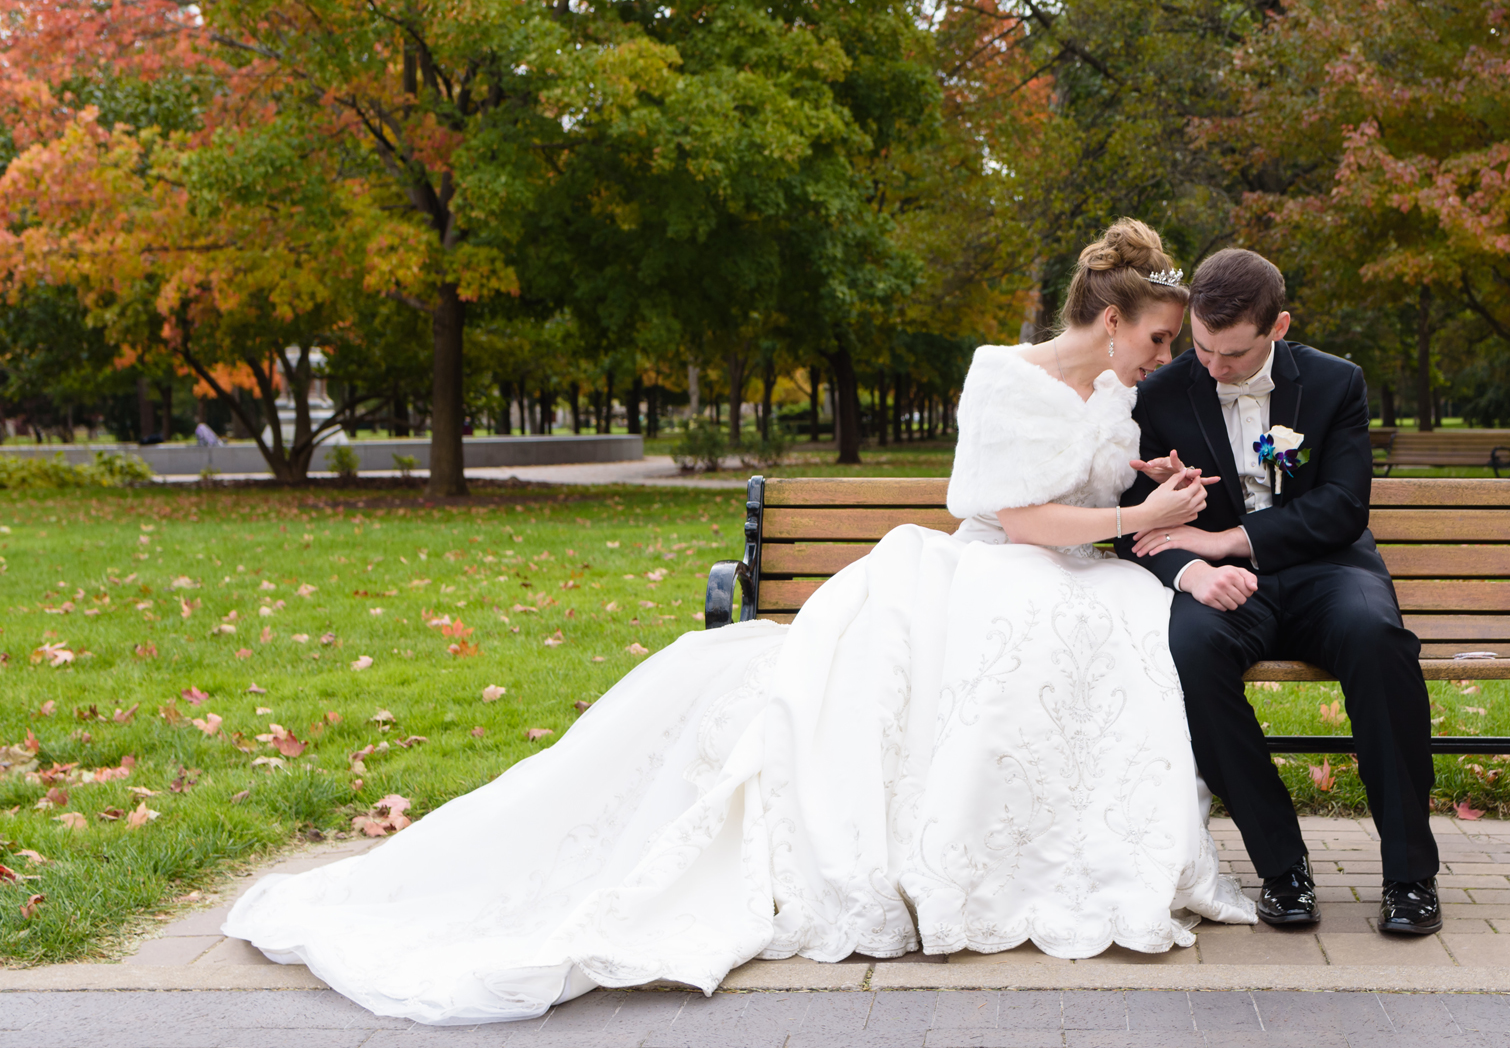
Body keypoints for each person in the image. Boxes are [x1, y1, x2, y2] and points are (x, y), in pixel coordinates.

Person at [224, 219, 1254, 1026]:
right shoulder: (1000, 373)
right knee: (1037, 637)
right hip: (995, 565)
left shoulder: (1115, 395)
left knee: (1115, 622)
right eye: (1159, 339)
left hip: (1067, 574)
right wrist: (1137, 517)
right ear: (1111, 320)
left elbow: (1085, 477)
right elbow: (1009, 510)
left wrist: (1141, 473)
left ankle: (1069, 857)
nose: (1164, 360)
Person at [1117, 249, 1442, 937]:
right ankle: (1281, 867)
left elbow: (1342, 508)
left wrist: (1225, 537)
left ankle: (1410, 873)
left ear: (1279, 326)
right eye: (1201, 346)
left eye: (1231, 354)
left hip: (1331, 572)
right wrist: (1180, 525)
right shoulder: (1163, 394)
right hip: (1226, 589)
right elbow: (1133, 531)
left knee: (1379, 641)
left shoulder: (1336, 383)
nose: (1212, 367)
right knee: (1191, 649)